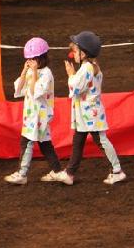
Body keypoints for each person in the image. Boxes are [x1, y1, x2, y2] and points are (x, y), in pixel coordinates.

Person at [51, 31, 126, 185]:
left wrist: (70, 75)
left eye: (75, 51)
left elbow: (76, 87)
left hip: (90, 115)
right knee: (78, 142)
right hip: (86, 115)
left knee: (102, 141)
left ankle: (117, 170)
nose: (73, 54)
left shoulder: (87, 69)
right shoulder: (92, 67)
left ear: (83, 54)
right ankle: (70, 173)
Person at [4, 37, 62, 185]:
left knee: (27, 142)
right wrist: (24, 71)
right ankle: (58, 171)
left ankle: (22, 174)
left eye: (33, 59)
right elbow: (19, 89)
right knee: (45, 144)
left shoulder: (46, 74)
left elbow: (35, 91)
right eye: (28, 59)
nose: (30, 62)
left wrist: (34, 72)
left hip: (39, 116)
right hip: (31, 115)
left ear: (42, 58)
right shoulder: (30, 71)